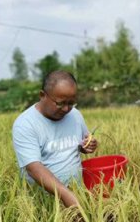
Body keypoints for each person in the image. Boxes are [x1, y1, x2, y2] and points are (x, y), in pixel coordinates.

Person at [12, 70, 98, 208]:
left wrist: (87, 146)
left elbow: (82, 143)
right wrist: (66, 195)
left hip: (76, 194)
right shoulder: (25, 124)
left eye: (71, 103)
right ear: (42, 95)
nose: (66, 109)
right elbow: (33, 168)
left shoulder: (75, 115)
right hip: (43, 203)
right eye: (60, 103)